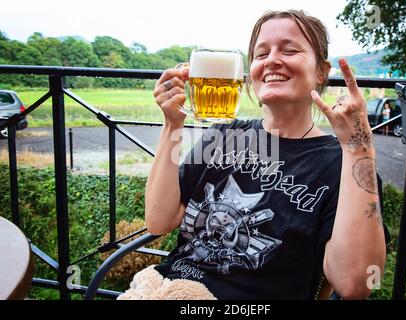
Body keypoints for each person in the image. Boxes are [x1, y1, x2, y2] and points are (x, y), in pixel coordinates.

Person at [144, 9, 388, 300]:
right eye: (261, 54)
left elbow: (355, 284)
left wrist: (359, 148)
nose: (272, 59)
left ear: (321, 71)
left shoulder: (342, 163)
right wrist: (172, 124)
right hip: (171, 289)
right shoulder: (223, 135)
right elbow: (159, 220)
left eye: (289, 49)